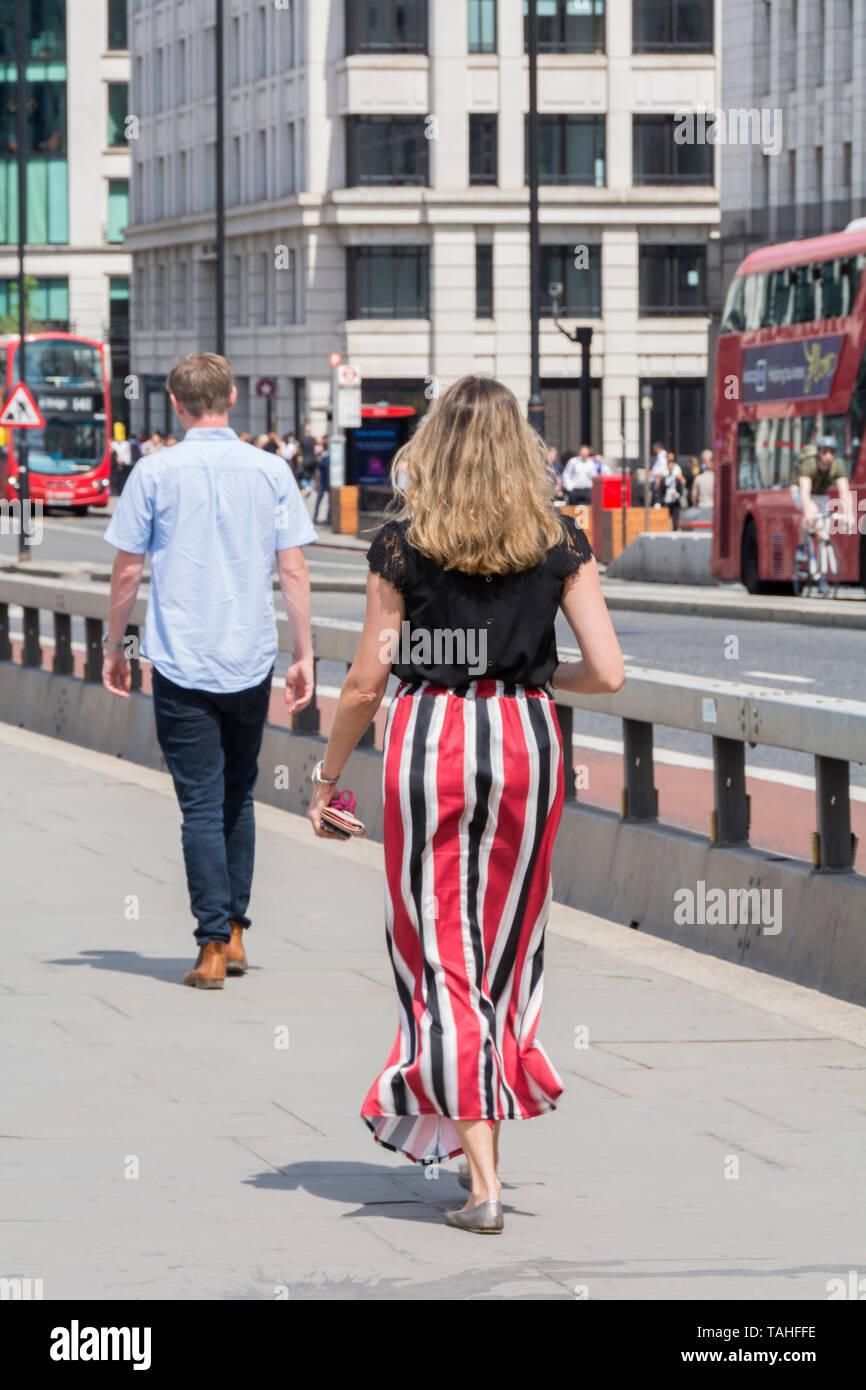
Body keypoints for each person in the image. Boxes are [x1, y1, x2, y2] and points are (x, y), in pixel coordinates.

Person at [306, 375, 624, 1233]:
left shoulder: (402, 545)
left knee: (440, 948)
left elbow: (368, 679)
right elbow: (608, 671)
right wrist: (526, 677)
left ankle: (481, 1185)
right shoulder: (561, 538)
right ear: (521, 446)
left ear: (434, 445)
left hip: (431, 742)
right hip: (527, 742)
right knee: (508, 950)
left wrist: (328, 775)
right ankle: (483, 1140)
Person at [102, 353, 317, 989]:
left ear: (176, 403)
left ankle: (211, 945)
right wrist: (302, 653)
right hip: (249, 657)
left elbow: (128, 570)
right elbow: (294, 569)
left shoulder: (154, 471)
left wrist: (117, 644)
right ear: (230, 398)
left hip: (181, 658)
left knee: (199, 800)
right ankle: (239, 932)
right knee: (237, 797)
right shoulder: (272, 469)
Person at [794, 437, 854, 582]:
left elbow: (844, 491)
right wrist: (808, 510)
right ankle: (801, 548)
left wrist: (849, 514)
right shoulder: (810, 464)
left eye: (832, 452)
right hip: (800, 491)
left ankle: (822, 571)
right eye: (825, 452)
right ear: (819, 453)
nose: (828, 456)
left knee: (822, 531)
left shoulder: (837, 466)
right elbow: (805, 491)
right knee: (812, 511)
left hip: (821, 494)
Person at [662, 455, 684, 529]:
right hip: (666, 501)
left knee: (675, 519)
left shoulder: (677, 478)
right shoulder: (665, 478)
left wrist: (677, 494)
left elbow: (681, 490)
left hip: (675, 502)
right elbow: (661, 490)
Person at [312, 437, 330, 524]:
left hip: (323, 482)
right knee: (329, 502)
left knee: (319, 500)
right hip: (328, 482)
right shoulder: (328, 457)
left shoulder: (324, 458)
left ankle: (315, 518)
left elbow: (318, 471)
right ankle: (328, 519)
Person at [650, 441, 670, 505]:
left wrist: (658, 479)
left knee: (658, 497)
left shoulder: (662, 455)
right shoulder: (660, 455)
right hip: (658, 478)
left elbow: (661, 469)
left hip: (660, 479)